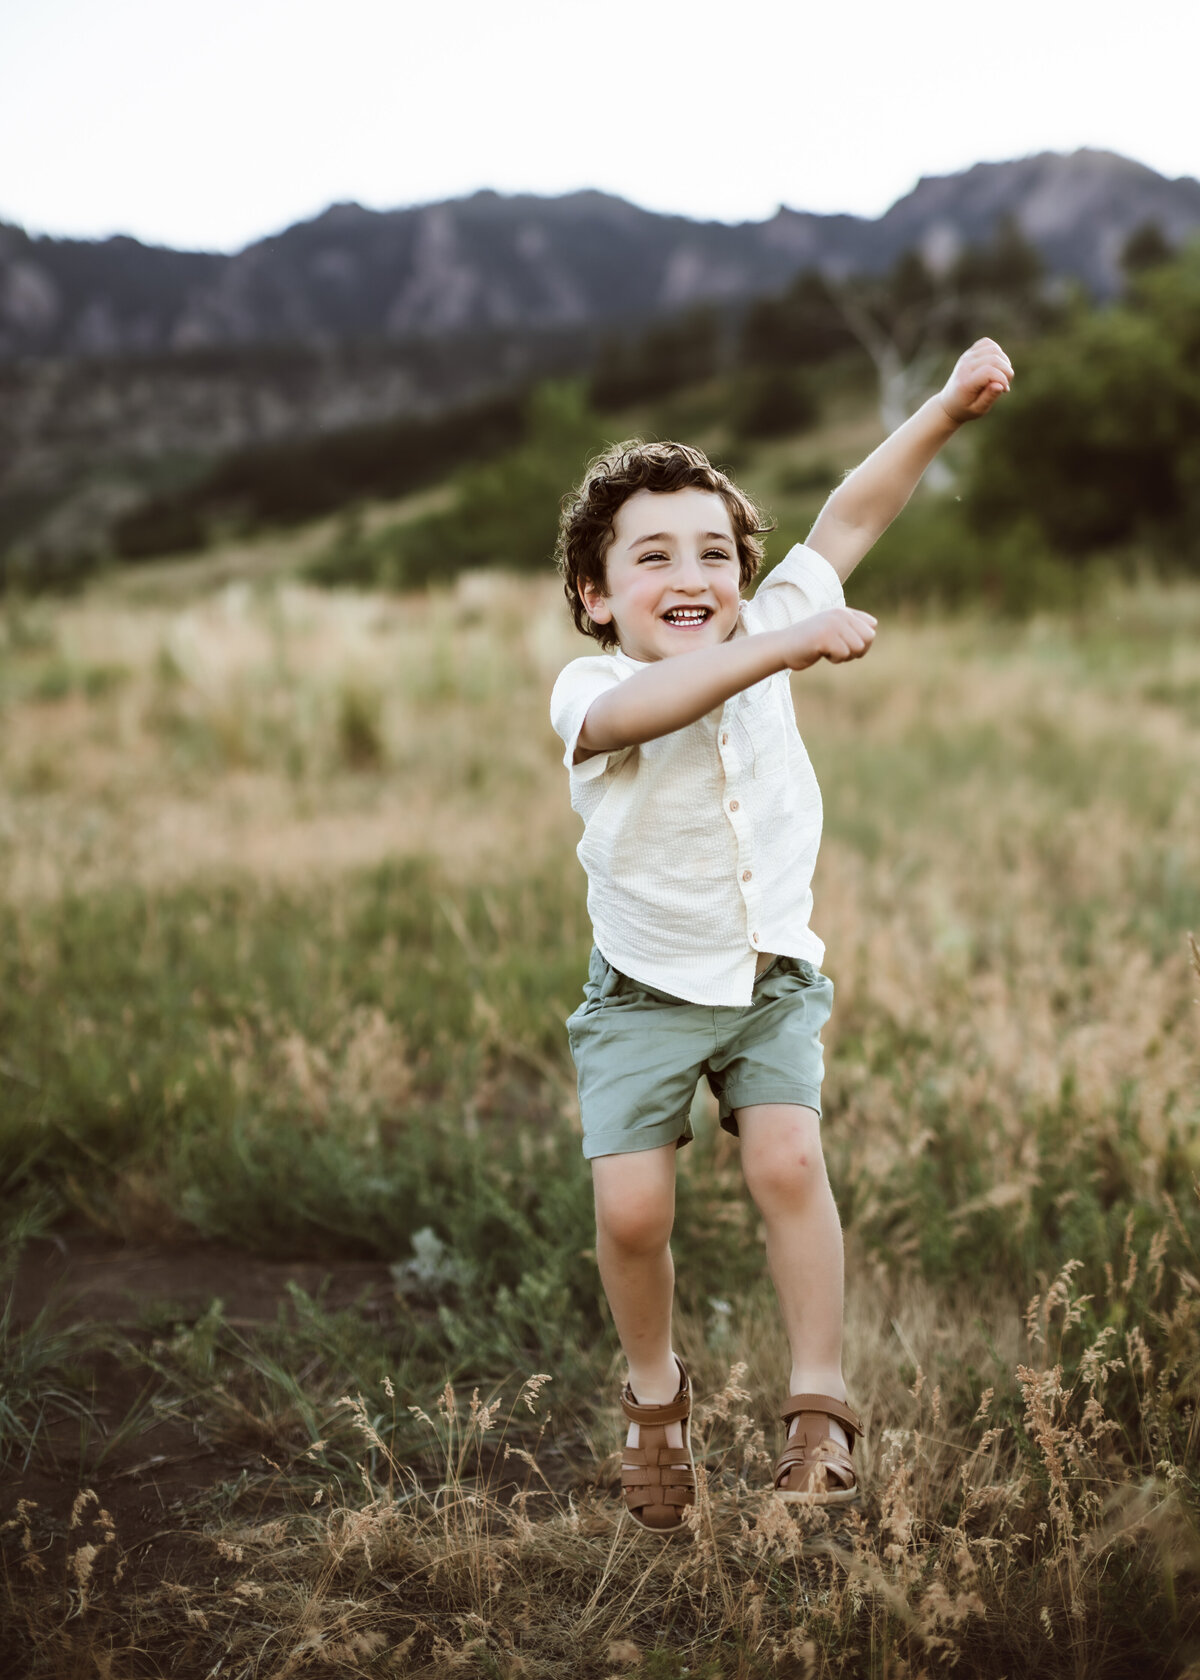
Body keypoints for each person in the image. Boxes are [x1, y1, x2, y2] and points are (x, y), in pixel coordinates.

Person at [549, 339, 1013, 1531]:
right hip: (645, 990)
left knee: (787, 1164)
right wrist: (780, 645)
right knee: (632, 1212)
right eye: (653, 556)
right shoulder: (589, 686)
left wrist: (947, 410)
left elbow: (856, 510)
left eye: (716, 552)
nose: (691, 572)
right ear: (600, 596)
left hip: (768, 974)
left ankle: (821, 1403)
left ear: (746, 580)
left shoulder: (765, 621)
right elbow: (649, 709)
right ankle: (656, 1398)